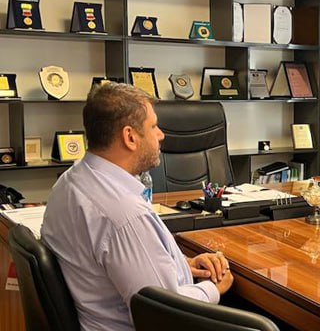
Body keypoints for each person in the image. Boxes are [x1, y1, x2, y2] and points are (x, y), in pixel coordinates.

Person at [41, 83, 233, 331]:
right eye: (153, 127)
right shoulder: (123, 215)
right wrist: (213, 289)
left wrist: (183, 265)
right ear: (130, 137)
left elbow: (121, 266)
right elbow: (164, 316)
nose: (161, 135)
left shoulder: (71, 181)